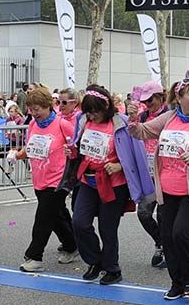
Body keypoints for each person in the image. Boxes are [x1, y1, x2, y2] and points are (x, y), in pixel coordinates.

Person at [128, 74, 189, 299]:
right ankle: (177, 283)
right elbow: (141, 132)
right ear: (179, 98)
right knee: (167, 237)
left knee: (181, 233)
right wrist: (132, 119)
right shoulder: (169, 118)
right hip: (167, 190)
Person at [66, 85, 154, 286]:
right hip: (88, 180)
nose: (92, 116)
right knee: (79, 223)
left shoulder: (121, 123)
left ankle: (112, 269)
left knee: (107, 228)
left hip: (114, 184)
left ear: (105, 107)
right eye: (88, 112)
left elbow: (136, 154)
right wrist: (71, 152)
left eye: (95, 112)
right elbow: (79, 147)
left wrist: (119, 166)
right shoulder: (83, 121)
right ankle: (95, 261)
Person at [13, 87, 79, 272]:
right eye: (31, 109)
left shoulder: (62, 124)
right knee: (56, 216)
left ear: (48, 106)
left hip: (58, 179)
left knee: (43, 217)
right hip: (39, 177)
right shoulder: (33, 125)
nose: (34, 113)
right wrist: (17, 155)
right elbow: (29, 147)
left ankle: (34, 256)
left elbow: (77, 147)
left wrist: (71, 152)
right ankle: (72, 245)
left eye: (37, 109)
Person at [133, 81, 169, 268]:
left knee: (164, 217)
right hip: (147, 174)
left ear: (161, 97)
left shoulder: (170, 116)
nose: (148, 104)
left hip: (166, 173)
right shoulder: (143, 116)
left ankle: (167, 250)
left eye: (151, 100)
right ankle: (160, 242)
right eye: (145, 101)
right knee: (143, 214)